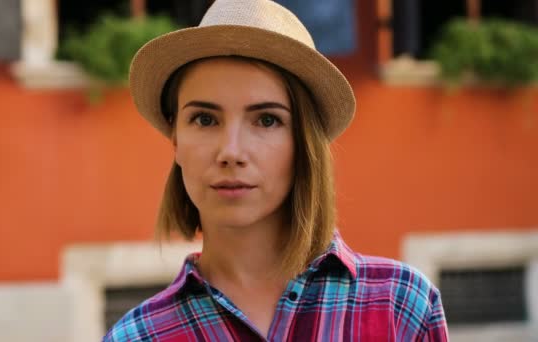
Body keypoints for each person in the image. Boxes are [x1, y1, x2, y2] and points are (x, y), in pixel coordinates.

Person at [104, 0, 449, 341]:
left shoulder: (399, 310)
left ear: (304, 143)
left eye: (267, 120)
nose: (231, 152)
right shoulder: (138, 337)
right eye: (205, 119)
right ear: (176, 140)